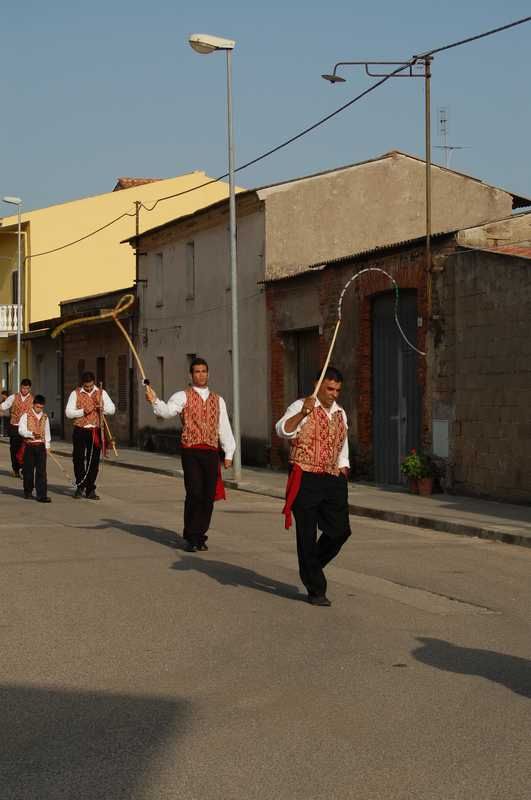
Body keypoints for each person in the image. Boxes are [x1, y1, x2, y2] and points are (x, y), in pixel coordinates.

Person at [275, 366, 351, 607]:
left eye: (337, 390)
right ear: (317, 385)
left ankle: (311, 566)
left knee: (340, 531)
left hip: (332, 477)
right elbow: (282, 430)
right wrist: (302, 414)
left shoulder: (340, 412)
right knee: (307, 534)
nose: (334, 394)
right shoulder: (300, 406)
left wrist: (344, 466)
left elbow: (343, 443)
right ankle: (316, 589)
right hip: (305, 477)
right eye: (329, 389)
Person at [145, 357, 235, 552]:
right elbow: (166, 412)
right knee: (195, 492)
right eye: (197, 372)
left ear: (208, 374)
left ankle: (200, 534)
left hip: (211, 451)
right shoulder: (182, 396)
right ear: (191, 375)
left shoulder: (218, 400)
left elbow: (223, 426)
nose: (201, 375)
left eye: (204, 371)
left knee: (208, 496)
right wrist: (155, 401)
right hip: (191, 450)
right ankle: (191, 535)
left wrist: (229, 451)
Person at [65, 371, 115, 500]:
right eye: (86, 386)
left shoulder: (101, 393)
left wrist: (103, 408)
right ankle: (80, 485)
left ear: (94, 383)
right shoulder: (75, 393)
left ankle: (90, 489)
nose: (88, 388)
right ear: (82, 384)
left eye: (91, 386)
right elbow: (68, 413)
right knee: (78, 458)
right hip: (80, 430)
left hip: (95, 430)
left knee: (93, 460)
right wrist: (83, 411)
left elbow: (112, 409)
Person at [19, 394, 52, 502]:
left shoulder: (45, 417)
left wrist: (47, 445)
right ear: (33, 405)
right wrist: (31, 434)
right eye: (37, 407)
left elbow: (47, 432)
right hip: (29, 445)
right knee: (28, 470)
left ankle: (41, 495)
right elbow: (21, 430)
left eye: (41, 407)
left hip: (40, 446)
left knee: (41, 471)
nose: (39, 409)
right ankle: (28, 491)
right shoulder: (26, 415)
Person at [0, 378, 33, 477]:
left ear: (30, 389)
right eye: (23, 388)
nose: (24, 390)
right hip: (14, 426)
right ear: (20, 387)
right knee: (14, 449)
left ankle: (24, 469)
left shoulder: (33, 400)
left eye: (26, 388)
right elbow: (4, 406)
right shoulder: (13, 397)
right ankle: (16, 468)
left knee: (26, 449)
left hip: (26, 428)